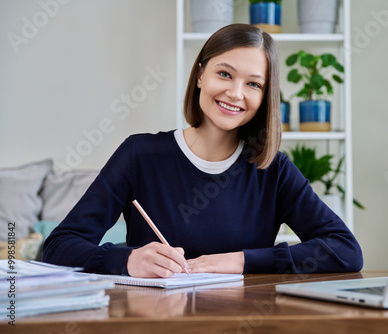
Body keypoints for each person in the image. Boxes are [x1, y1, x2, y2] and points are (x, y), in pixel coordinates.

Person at [43, 24, 363, 277]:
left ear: (265, 96)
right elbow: (57, 247)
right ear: (200, 75)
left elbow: (345, 250)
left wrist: (241, 261)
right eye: (224, 73)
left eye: (253, 84)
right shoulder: (138, 155)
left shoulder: (274, 170)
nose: (235, 93)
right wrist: (126, 259)